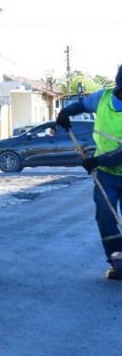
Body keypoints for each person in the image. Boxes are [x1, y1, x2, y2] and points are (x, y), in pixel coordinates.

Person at [56, 67, 122, 281]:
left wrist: (96, 160)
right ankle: (118, 264)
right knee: (106, 217)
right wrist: (66, 113)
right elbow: (81, 105)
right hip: (106, 175)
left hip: (105, 164)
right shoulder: (103, 97)